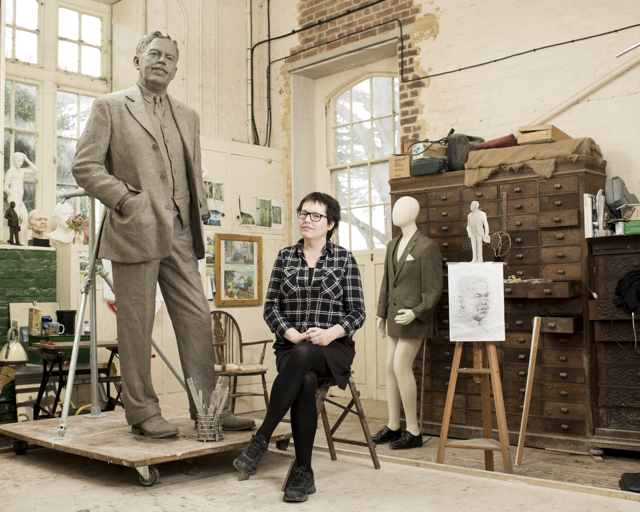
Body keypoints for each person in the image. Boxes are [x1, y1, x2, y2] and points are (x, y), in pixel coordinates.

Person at [71, 30, 253, 438]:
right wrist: (125, 199)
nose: (162, 62)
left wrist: (199, 211)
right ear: (137, 59)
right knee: (135, 325)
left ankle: (209, 408)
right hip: (135, 228)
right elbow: (85, 166)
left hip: (182, 232)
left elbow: (193, 171)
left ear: (175, 67)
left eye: (170, 58)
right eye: (154, 54)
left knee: (197, 317)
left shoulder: (187, 115)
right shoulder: (111, 107)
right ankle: (141, 412)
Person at [233, 192, 365, 502]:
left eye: (315, 216)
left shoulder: (344, 259)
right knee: (304, 375)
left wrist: (332, 332)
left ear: (330, 223)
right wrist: (290, 333)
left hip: (333, 348)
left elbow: (357, 311)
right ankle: (304, 473)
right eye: (303, 214)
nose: (306, 220)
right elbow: (271, 307)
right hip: (291, 348)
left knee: (306, 356)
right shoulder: (285, 257)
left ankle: (261, 438)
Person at [373, 196, 443, 449]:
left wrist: (416, 312)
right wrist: (381, 313)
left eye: (402, 208)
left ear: (414, 213)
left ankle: (414, 430)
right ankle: (393, 426)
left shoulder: (427, 247)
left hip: (414, 318)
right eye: (394, 207)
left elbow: (434, 289)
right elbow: (386, 282)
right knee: (390, 367)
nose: (395, 211)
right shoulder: (392, 244)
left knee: (401, 366)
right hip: (394, 315)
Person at [4, 152, 38, 230]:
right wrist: (12, 194)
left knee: (25, 219)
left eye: (21, 161)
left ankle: (23, 240)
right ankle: (14, 240)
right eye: (18, 161)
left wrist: (27, 159)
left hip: (20, 198)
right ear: (13, 160)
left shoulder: (22, 170)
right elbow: (5, 188)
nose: (20, 163)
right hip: (14, 197)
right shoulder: (11, 171)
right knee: (15, 219)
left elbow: (36, 170)